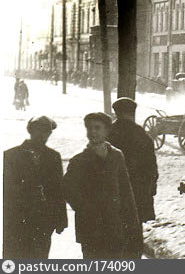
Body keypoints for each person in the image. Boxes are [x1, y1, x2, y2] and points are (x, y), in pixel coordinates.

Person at [64, 112, 142, 259]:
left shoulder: (116, 156)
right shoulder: (79, 159)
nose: (92, 132)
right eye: (89, 128)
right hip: (90, 227)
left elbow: (126, 190)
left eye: (97, 128)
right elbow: (68, 189)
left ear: (107, 131)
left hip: (114, 224)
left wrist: (132, 222)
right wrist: (84, 208)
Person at [3, 116, 67, 258]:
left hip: (43, 219)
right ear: (30, 130)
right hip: (17, 219)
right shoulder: (11, 155)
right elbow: (7, 190)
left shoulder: (53, 157)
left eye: (46, 132)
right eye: (38, 130)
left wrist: (61, 219)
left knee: (39, 257)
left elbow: (58, 189)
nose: (42, 135)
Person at [107, 98, 159, 224]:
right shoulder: (141, 135)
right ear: (132, 113)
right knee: (135, 225)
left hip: (113, 189)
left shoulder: (108, 133)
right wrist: (152, 188)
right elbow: (151, 166)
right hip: (137, 188)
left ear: (116, 113)